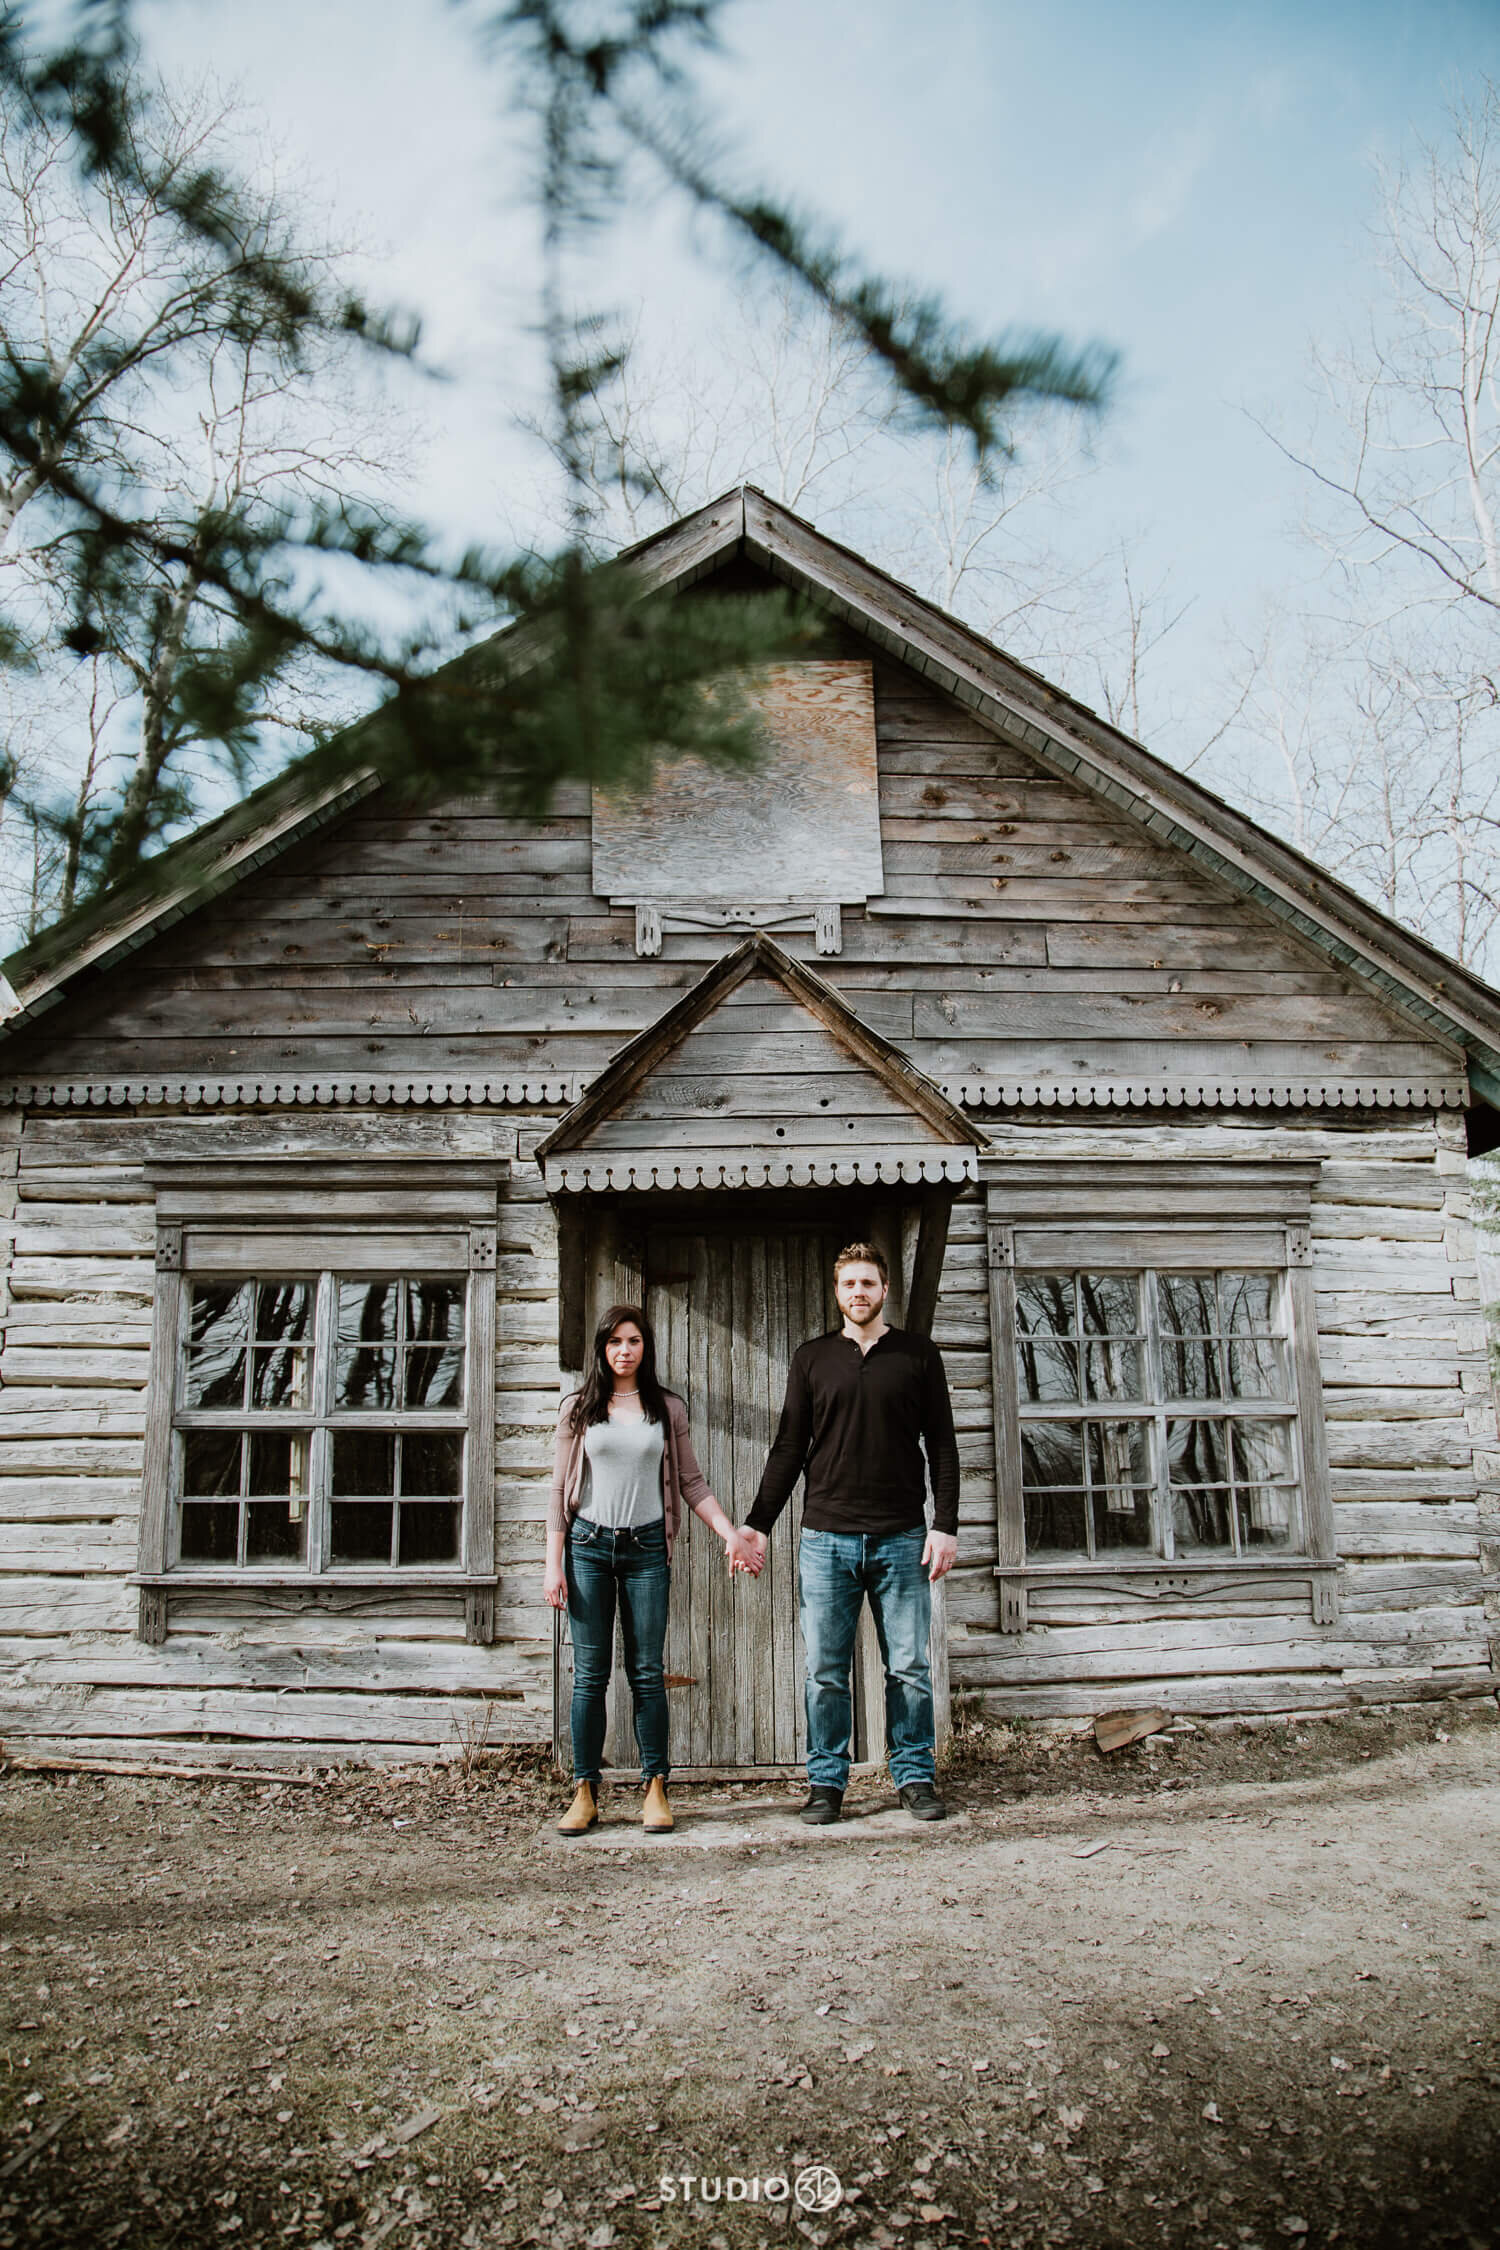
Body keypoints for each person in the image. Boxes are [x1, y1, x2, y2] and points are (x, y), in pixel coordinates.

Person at [740, 1241, 959, 1825]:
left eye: (867, 1283)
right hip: (826, 1538)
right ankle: (826, 1783)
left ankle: (914, 1776)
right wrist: (758, 1523)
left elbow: (942, 1445)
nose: (858, 1293)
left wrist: (945, 1527)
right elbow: (790, 1446)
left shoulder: (918, 1355)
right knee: (825, 1671)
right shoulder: (812, 1359)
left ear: (885, 1289)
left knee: (909, 1665)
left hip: (902, 1536)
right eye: (848, 1285)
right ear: (836, 1294)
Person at [545, 1302, 762, 1836]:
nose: (624, 1350)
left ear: (646, 1347)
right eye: (615, 1341)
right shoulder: (578, 1408)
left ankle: (655, 1787)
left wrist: (730, 1533)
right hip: (588, 1548)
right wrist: (554, 1566)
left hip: (646, 1552)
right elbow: (556, 1494)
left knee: (646, 1673)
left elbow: (692, 1483)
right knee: (590, 1677)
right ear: (602, 1348)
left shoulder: (666, 1409)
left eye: (634, 1341)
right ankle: (585, 1790)